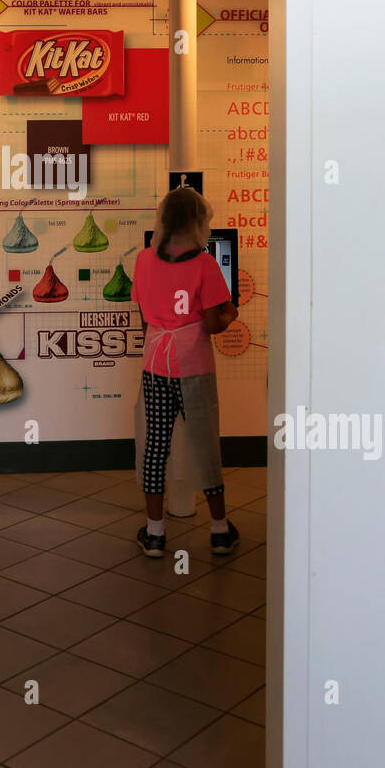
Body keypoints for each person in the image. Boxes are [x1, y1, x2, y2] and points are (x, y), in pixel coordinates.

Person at [130, 187, 240, 559]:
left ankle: (156, 533)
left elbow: (145, 317)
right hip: (194, 365)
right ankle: (220, 531)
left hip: (156, 366)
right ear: (197, 222)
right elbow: (212, 324)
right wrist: (231, 314)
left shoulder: (143, 260)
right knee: (205, 442)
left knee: (156, 447)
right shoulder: (206, 265)